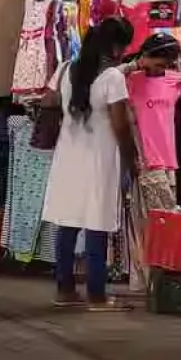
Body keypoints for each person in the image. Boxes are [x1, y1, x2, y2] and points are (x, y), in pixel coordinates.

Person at [42, 16, 139, 308]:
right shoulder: (112, 78)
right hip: (100, 158)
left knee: (68, 223)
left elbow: (48, 100)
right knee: (98, 223)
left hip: (69, 155)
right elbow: (121, 125)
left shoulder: (66, 69)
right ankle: (97, 294)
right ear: (116, 46)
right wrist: (131, 158)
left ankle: (64, 289)